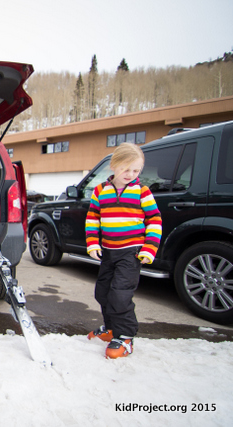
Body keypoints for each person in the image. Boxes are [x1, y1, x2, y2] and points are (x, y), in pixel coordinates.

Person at [85, 142, 162, 359]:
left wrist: (149, 248)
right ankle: (111, 329)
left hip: (131, 252)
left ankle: (125, 336)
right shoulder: (100, 191)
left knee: (120, 295)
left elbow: (154, 219)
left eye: (136, 170)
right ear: (113, 165)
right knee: (102, 292)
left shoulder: (142, 191)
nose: (130, 174)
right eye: (125, 169)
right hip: (109, 251)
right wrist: (92, 243)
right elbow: (93, 218)